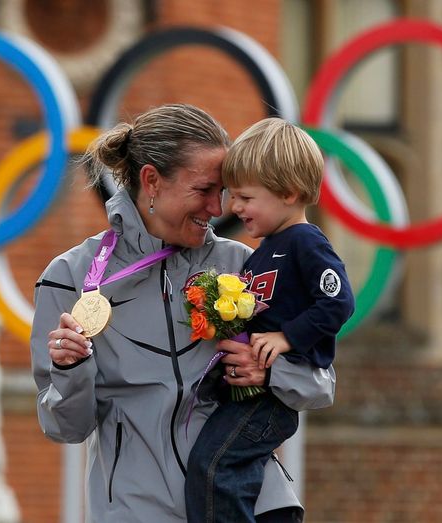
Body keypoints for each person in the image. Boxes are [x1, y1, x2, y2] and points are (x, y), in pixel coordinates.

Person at [31, 104, 337, 523]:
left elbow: (321, 385)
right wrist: (70, 368)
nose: (218, 208)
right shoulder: (68, 278)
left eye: (226, 192)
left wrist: (270, 371)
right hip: (138, 512)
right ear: (151, 181)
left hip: (250, 507)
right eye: (204, 190)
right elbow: (65, 427)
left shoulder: (246, 264)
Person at [185, 117, 355, 522]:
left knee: (214, 469)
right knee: (233, 476)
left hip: (271, 399)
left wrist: (286, 338)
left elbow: (338, 302)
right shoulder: (265, 248)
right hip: (249, 392)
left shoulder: (306, 242)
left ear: (290, 193)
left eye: (245, 196)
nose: (233, 207)